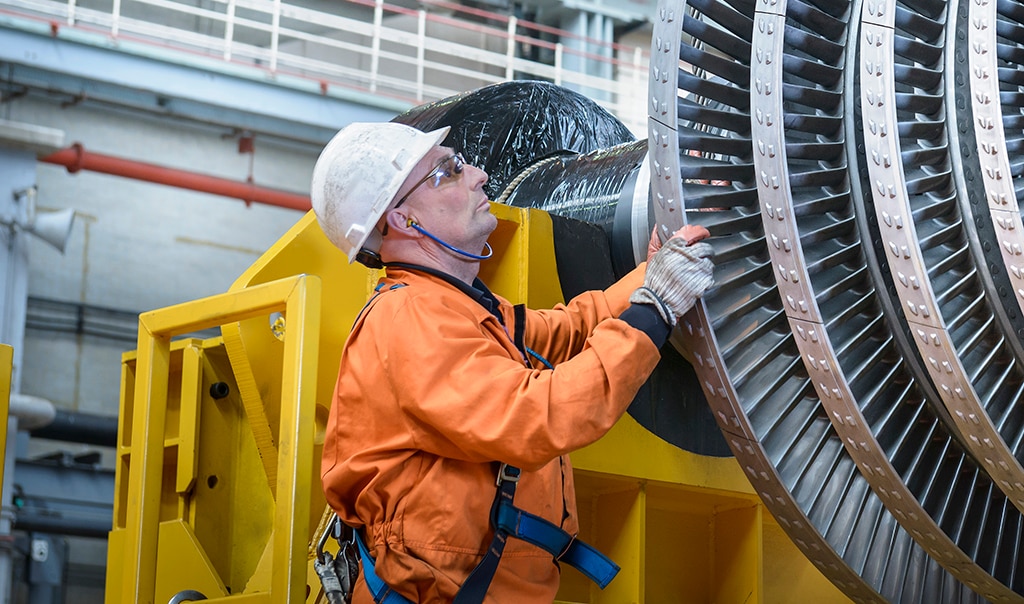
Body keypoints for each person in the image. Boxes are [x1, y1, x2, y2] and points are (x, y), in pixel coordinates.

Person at [312, 121, 714, 603]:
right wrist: (656, 309)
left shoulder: (460, 307)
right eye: (447, 170)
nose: (478, 175)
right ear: (402, 220)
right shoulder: (409, 319)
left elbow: (565, 330)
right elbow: (539, 415)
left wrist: (653, 270)